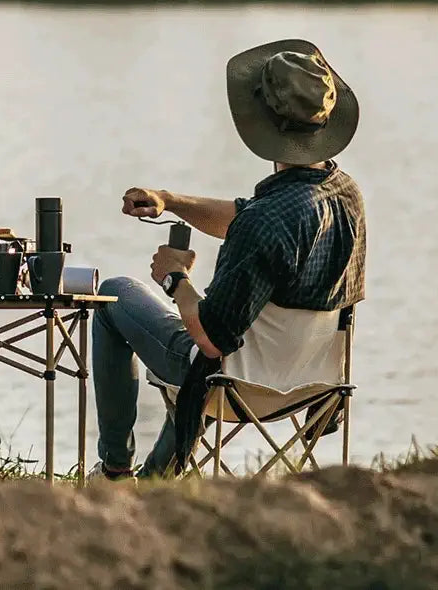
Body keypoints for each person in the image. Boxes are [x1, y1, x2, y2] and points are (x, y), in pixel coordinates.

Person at [91, 39, 367, 479]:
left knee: (115, 295)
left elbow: (209, 338)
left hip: (233, 385)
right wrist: (169, 200)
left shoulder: (266, 220)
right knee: (221, 341)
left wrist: (175, 277)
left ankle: (115, 472)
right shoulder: (345, 195)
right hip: (309, 384)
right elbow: (246, 219)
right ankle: (154, 482)